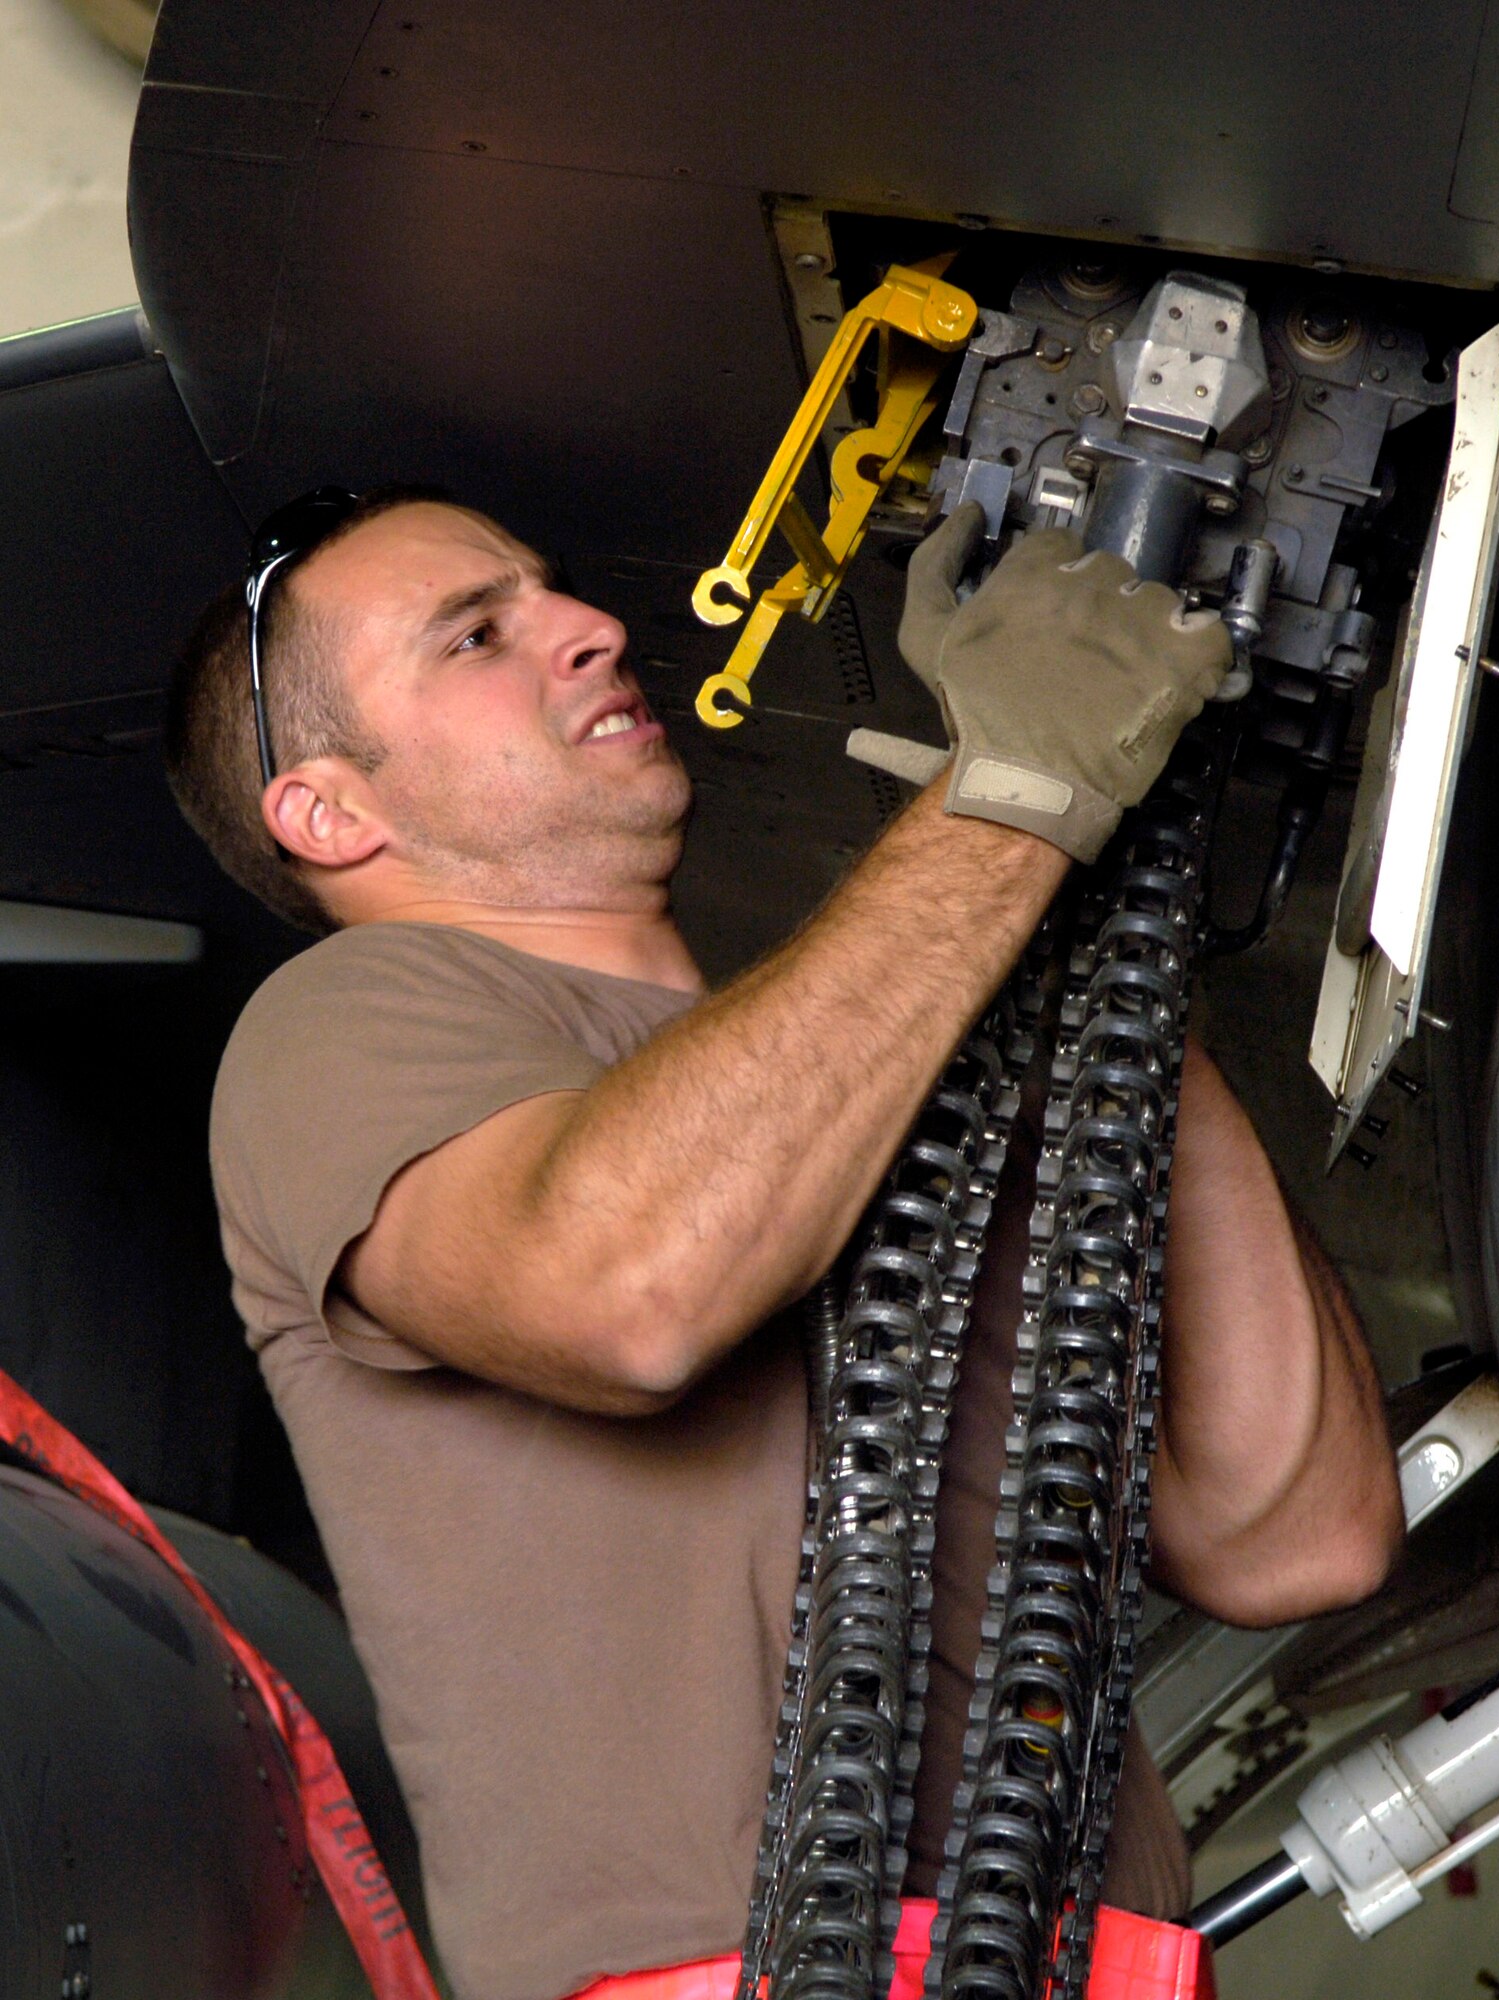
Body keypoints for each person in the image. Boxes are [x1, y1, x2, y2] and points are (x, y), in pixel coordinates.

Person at [165, 488, 1403, 2000]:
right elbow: (633, 1293)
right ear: (331, 812)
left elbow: (1301, 1537)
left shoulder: (859, 1090)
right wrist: (1002, 800)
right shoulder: (337, 1029)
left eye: (553, 591)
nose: (592, 629)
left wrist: (1090, 927)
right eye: (476, 636)